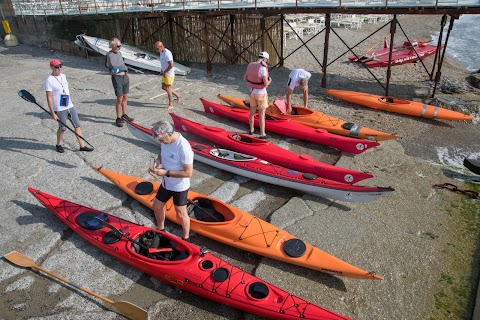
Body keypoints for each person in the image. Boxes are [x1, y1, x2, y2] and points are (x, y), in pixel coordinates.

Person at [148, 120, 194, 241]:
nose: (162, 143)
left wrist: (165, 173)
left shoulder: (183, 147)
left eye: (162, 140)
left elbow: (188, 173)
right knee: (157, 207)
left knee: (180, 213)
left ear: (169, 134)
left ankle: (186, 237)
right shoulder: (165, 140)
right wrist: (157, 162)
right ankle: (161, 230)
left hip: (180, 186)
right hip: (166, 183)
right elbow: (162, 153)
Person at [45, 59, 94, 153]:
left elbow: (66, 90)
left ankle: (82, 146)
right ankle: (58, 144)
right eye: (56, 67)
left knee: (77, 125)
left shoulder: (63, 76)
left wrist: (71, 101)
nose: (59, 68)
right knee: (62, 128)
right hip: (59, 108)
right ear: (51, 67)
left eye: (60, 66)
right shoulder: (49, 80)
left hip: (69, 105)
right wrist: (52, 113)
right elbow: (49, 98)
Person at [105, 37, 134, 127]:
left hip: (124, 76)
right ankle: (118, 117)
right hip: (117, 78)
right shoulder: (109, 55)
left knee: (125, 97)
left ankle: (124, 114)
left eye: (120, 46)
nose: (119, 47)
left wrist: (125, 71)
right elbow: (113, 68)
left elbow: (121, 65)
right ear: (113, 46)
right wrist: (121, 69)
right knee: (119, 98)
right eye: (118, 46)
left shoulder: (119, 53)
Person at [243, 51, 272, 139]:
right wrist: (270, 80)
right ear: (264, 59)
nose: (266, 62)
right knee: (262, 114)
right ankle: (262, 134)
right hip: (262, 93)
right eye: (266, 60)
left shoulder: (250, 65)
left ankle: (251, 130)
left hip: (252, 92)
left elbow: (245, 78)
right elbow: (266, 83)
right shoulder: (263, 68)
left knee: (252, 112)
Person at [155, 41, 182, 110]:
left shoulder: (167, 53)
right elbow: (163, 63)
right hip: (165, 73)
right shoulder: (161, 52)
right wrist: (162, 71)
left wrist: (165, 72)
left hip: (169, 74)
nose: (156, 50)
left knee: (168, 89)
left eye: (157, 48)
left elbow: (171, 65)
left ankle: (170, 105)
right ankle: (177, 95)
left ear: (161, 47)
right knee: (163, 87)